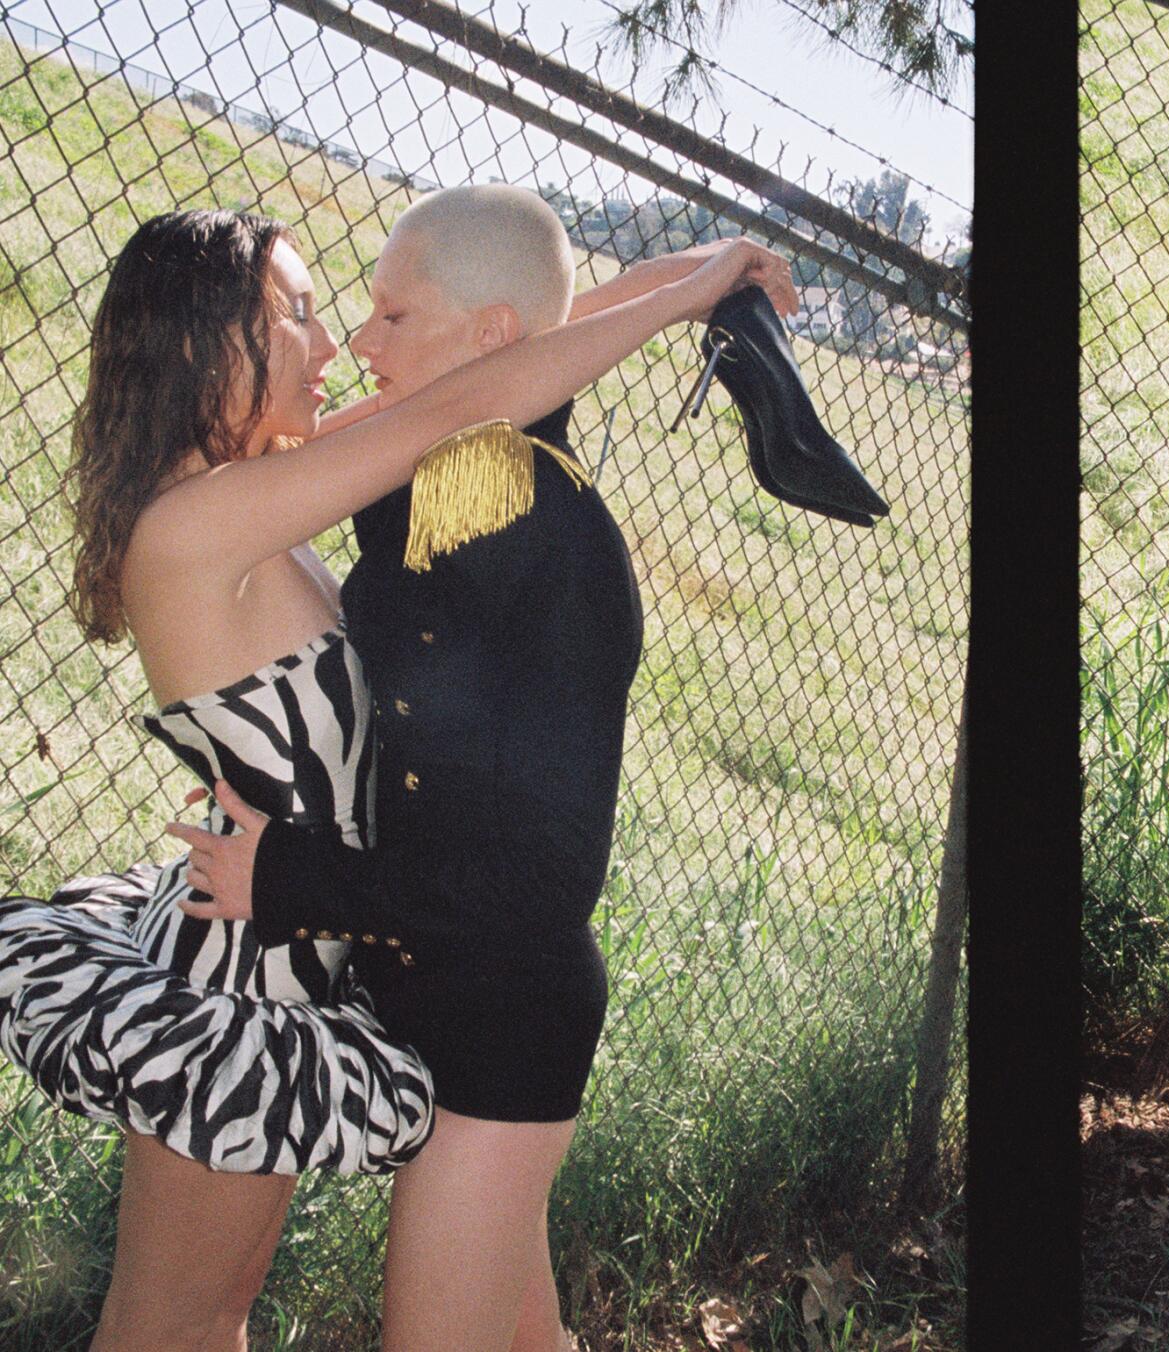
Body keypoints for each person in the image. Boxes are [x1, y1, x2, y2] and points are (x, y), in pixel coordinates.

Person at [0, 199, 791, 1350]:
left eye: (350, 313)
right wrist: (685, 292)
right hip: (244, 978)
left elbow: (502, 359)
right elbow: (469, 398)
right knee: (174, 1321)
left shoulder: (270, 479)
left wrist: (706, 273)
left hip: (319, 938)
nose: (333, 345)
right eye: (301, 315)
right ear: (200, 340)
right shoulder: (192, 526)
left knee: (228, 1311)